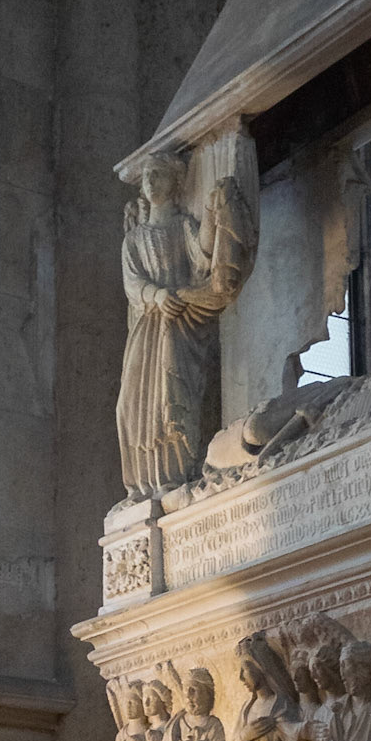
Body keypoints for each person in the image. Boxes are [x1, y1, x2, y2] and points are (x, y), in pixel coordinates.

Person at [117, 154, 252, 499]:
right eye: (147, 175)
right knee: (130, 407)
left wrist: (213, 211)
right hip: (148, 327)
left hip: (179, 325)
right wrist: (157, 295)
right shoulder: (134, 239)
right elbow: (133, 283)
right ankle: (143, 485)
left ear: (176, 183)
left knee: (171, 399)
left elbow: (204, 253)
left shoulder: (182, 227)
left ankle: (171, 479)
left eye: (158, 174)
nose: (150, 180)